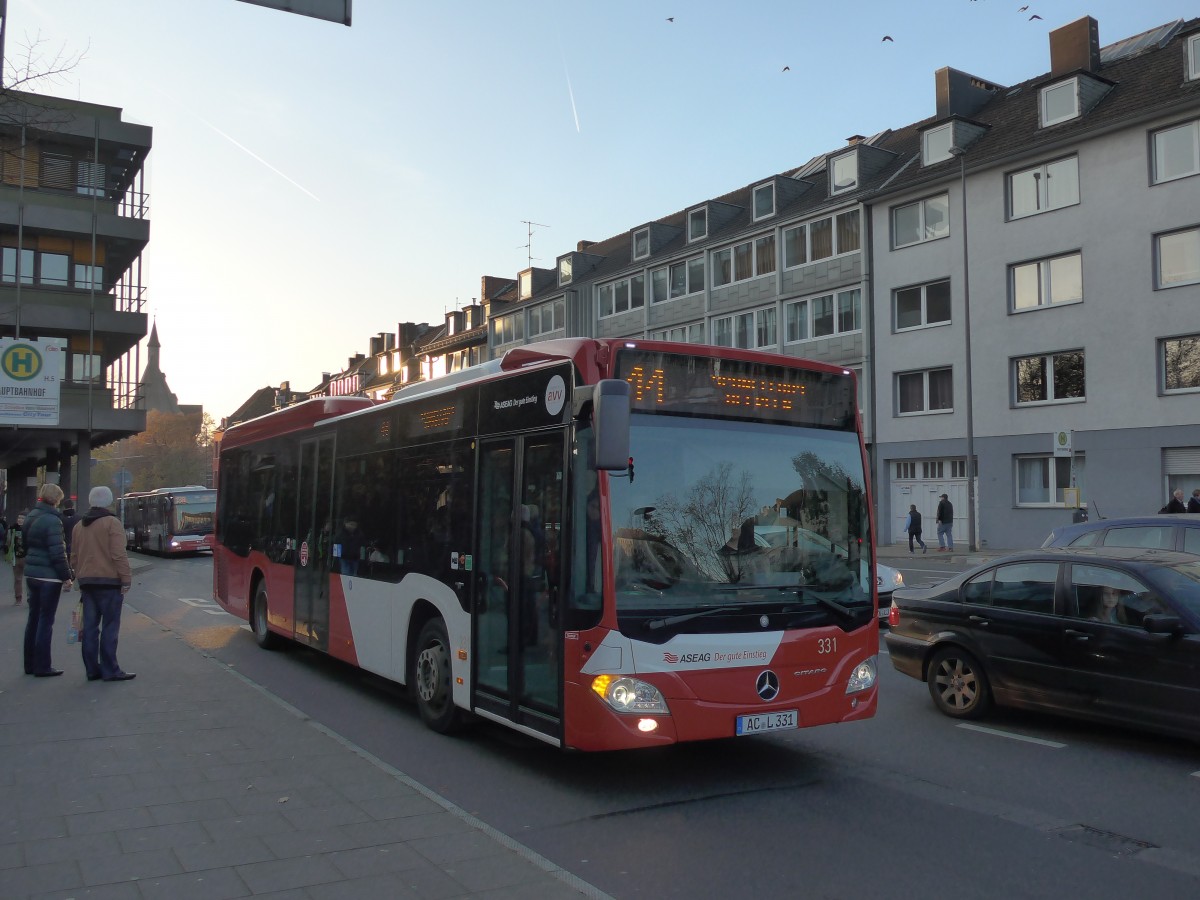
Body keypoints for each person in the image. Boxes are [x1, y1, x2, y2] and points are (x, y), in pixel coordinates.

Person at [71, 486, 135, 682]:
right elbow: (118, 554)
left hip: (87, 583)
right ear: (108, 502)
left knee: (89, 628)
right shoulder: (111, 523)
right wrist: (126, 578)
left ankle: (92, 670)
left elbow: (73, 556)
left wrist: (78, 575)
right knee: (110, 626)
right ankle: (110, 670)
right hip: (109, 582)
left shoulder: (79, 526)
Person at [22, 483, 74, 677]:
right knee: (46, 621)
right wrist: (66, 576)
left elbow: (26, 543)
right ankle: (43, 666)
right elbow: (57, 553)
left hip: (32, 574)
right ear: (57, 499)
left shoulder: (31, 516)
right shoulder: (53, 520)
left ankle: (29, 664)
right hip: (48, 577)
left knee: (33, 619)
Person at [6, 511, 26, 604]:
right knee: (17, 579)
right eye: (19, 518)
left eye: (22, 518)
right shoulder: (13, 528)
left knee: (30, 579)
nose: (20, 520)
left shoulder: (29, 529)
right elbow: (8, 542)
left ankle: (31, 598)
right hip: (16, 557)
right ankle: (18, 597)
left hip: (27, 557)